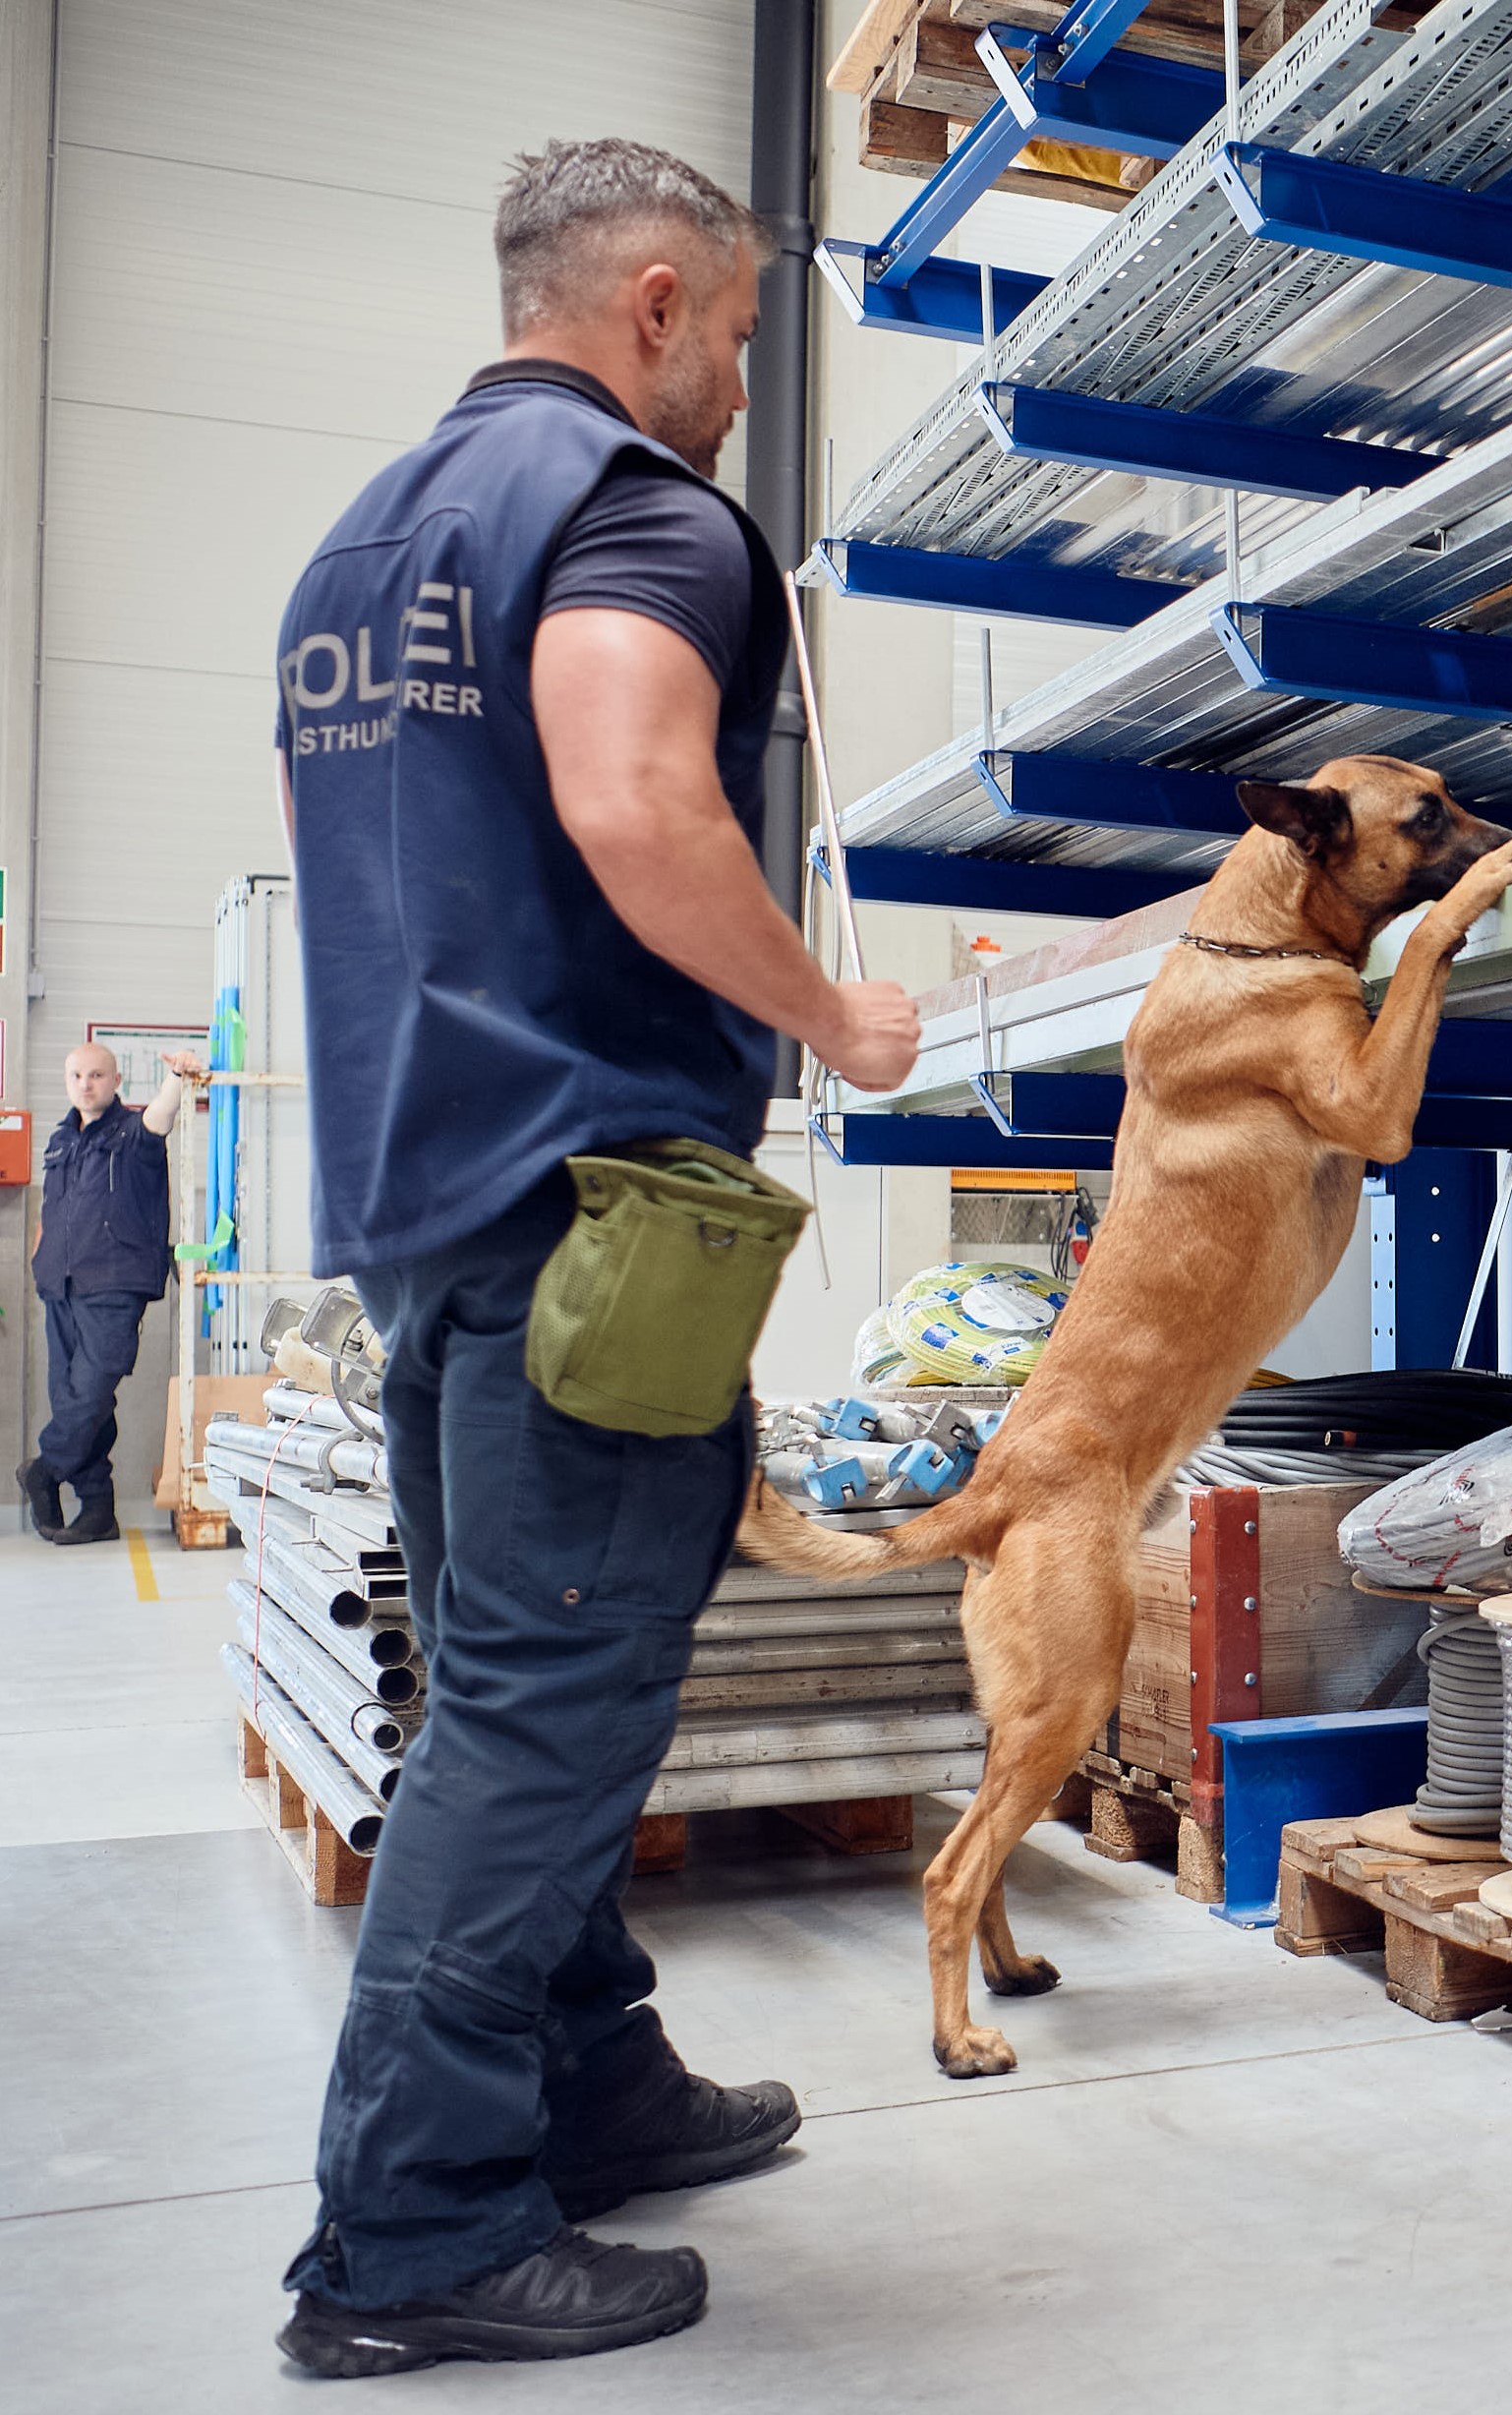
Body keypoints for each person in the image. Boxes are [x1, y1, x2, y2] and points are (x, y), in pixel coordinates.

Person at [268, 139, 919, 2378]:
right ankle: (413, 2225)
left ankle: (589, 2079)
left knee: (510, 1683)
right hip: (594, 1215)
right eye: (736, 331)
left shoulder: (360, 545)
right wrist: (830, 1010)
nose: (738, 376)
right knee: (548, 1704)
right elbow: (638, 799)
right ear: (652, 299)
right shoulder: (630, 503)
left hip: (428, 1204)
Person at [23, 1040, 203, 1544]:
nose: (86, 1083)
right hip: (59, 1285)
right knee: (73, 1399)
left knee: (91, 1392)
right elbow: (51, 1213)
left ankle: (45, 1468)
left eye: (97, 1075)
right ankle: (98, 1509)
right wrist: (41, 1259)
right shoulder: (60, 1140)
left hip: (115, 1285)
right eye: (77, 1075)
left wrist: (177, 1077)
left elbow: (163, 1116)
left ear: (116, 1081)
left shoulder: (133, 1133)